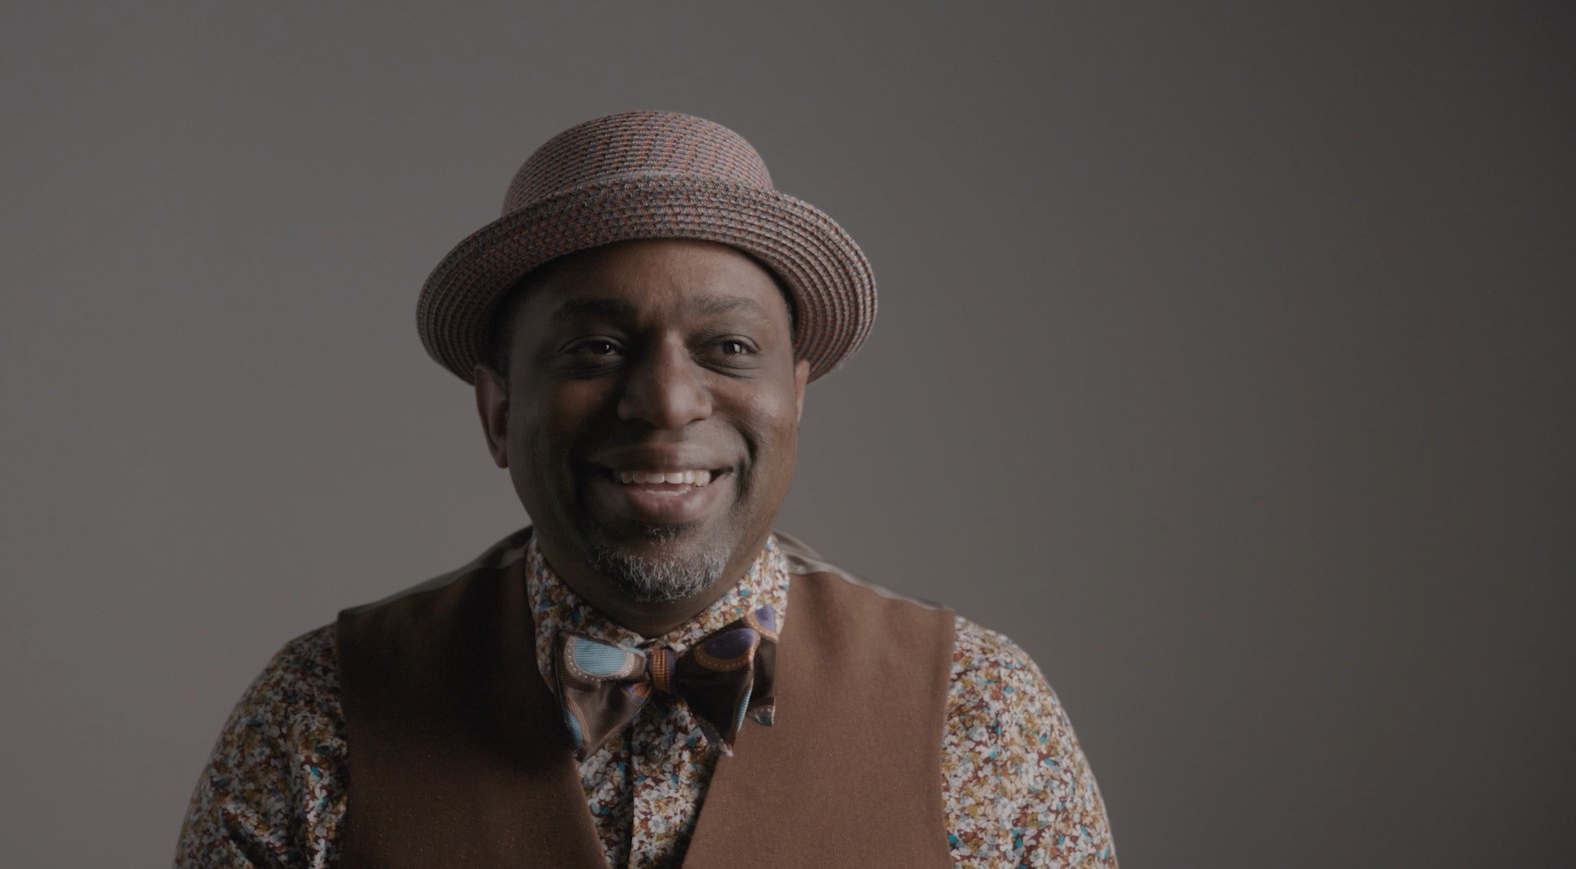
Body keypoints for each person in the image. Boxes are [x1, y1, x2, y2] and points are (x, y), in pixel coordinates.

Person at [175, 111, 1115, 867]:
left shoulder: (978, 709)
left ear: (795, 398)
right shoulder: (320, 712)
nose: (666, 401)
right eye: (596, 348)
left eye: (729, 348)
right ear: (498, 408)